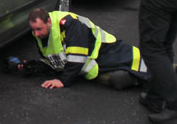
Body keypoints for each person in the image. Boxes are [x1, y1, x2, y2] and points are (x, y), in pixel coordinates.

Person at [9, 8, 150, 91]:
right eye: (33, 30)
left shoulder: (69, 23)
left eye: (39, 29)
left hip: (106, 50)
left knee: (142, 66)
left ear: (49, 21)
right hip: (93, 65)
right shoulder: (42, 33)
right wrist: (29, 67)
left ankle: (166, 73)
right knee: (117, 79)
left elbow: (77, 56)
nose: (36, 34)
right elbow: (54, 60)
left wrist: (63, 81)